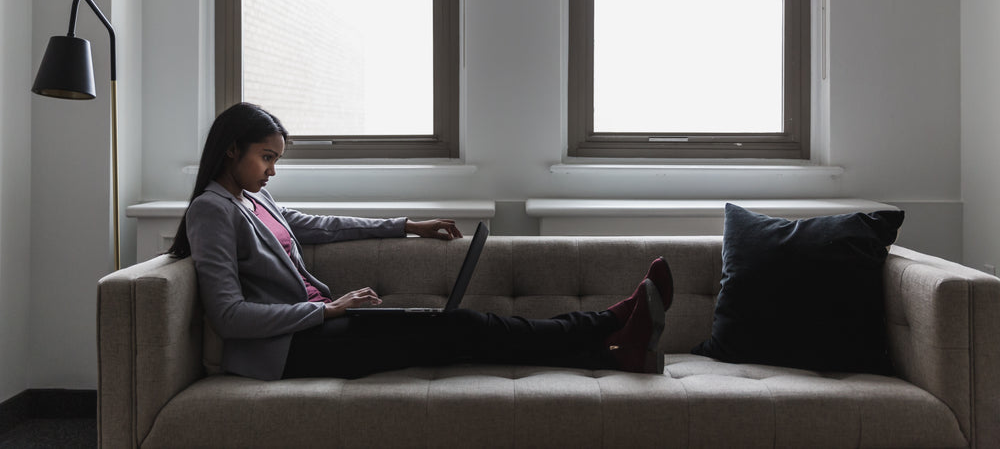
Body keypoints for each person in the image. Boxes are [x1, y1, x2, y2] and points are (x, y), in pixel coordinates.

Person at [168, 102, 674, 381]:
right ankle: (609, 323)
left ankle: (613, 351)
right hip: (294, 351)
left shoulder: (255, 200)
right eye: (265, 157)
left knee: (460, 331)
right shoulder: (211, 209)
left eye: (277, 159)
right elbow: (229, 315)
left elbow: (322, 224)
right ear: (231, 149)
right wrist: (330, 311)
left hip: (325, 330)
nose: (272, 170)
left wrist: (409, 225)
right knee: (461, 328)